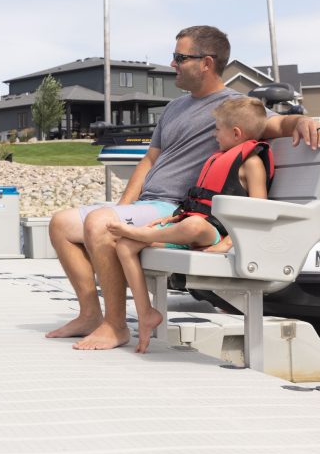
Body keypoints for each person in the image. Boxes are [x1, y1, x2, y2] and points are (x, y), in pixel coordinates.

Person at [43, 25, 320, 350]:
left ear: (206, 63)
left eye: (180, 57)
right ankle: (90, 314)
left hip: (177, 209)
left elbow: (276, 123)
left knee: (99, 223)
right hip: (145, 206)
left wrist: (304, 121)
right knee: (60, 224)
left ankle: (116, 325)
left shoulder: (234, 107)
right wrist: (122, 206)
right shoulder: (174, 108)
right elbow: (149, 161)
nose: (172, 64)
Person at [106, 96, 274, 353]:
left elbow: (258, 209)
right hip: (190, 223)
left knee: (194, 226)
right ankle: (146, 312)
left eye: (217, 129)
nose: (214, 135)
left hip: (216, 233)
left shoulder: (251, 163)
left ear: (236, 133)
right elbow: (197, 199)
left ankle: (137, 231)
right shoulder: (218, 157)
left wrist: (229, 243)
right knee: (125, 245)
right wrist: (173, 217)